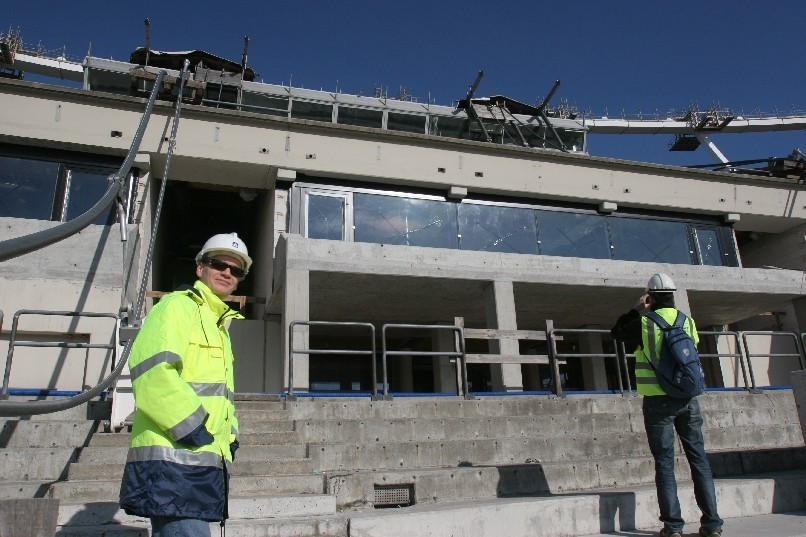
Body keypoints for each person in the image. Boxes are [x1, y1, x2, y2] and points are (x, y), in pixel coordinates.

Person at [119, 232, 252, 537]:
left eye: (236, 270)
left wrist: (230, 437)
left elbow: (220, 397)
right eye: (218, 264)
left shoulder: (220, 326)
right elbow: (153, 372)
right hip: (172, 463)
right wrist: (193, 428)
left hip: (199, 464)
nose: (227, 273)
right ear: (199, 268)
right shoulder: (177, 307)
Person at [610, 273, 723, 537]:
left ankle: (673, 527)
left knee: (664, 463)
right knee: (699, 461)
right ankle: (712, 525)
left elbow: (616, 333)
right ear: (673, 295)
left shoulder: (644, 323)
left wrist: (637, 308)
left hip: (658, 401)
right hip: (688, 399)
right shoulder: (688, 322)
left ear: (650, 296)